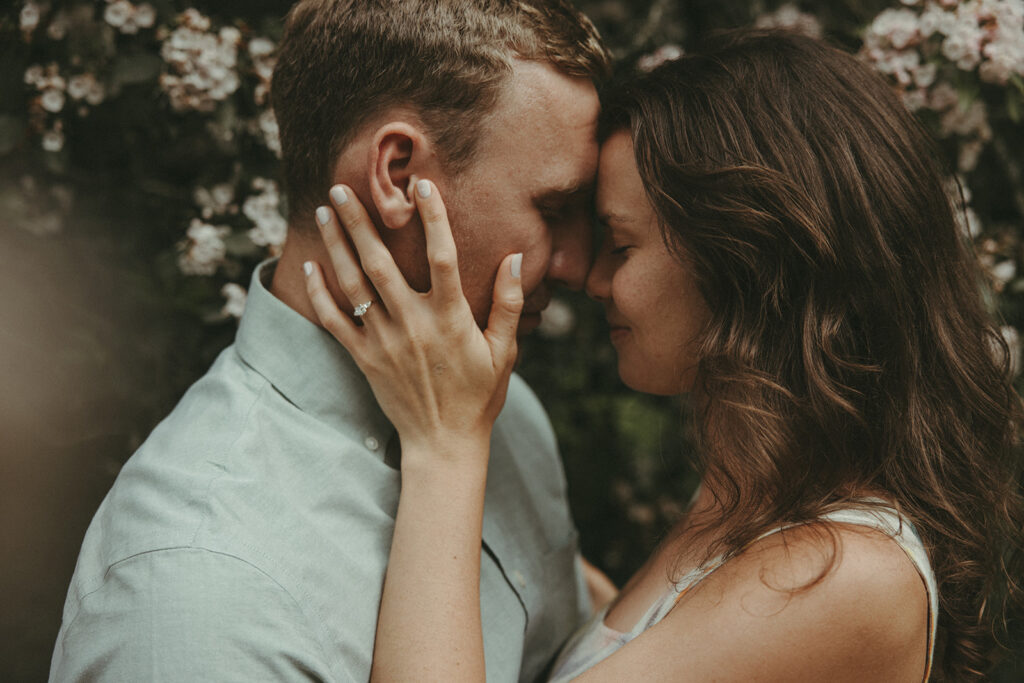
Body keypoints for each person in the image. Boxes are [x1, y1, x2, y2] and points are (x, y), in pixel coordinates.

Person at [304, 30, 1024, 682]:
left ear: (741, 262)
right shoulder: (751, 494)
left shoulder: (846, 576)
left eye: (620, 245)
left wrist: (446, 445)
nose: (591, 279)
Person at [50, 1, 611, 681]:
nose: (578, 265)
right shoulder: (201, 586)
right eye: (552, 211)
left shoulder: (505, 409)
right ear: (398, 174)